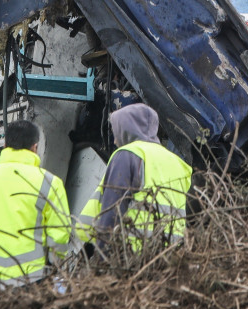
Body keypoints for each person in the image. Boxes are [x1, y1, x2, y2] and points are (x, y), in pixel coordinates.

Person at [0, 119, 70, 289]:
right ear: (35, 147)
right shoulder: (50, 182)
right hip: (31, 278)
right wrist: (55, 264)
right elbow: (59, 235)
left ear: (5, 145)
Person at [80, 104, 192, 255]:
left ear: (126, 130)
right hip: (171, 258)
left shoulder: (129, 154)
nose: (114, 141)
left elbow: (112, 210)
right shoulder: (179, 164)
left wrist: (101, 258)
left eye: (117, 133)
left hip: (132, 254)